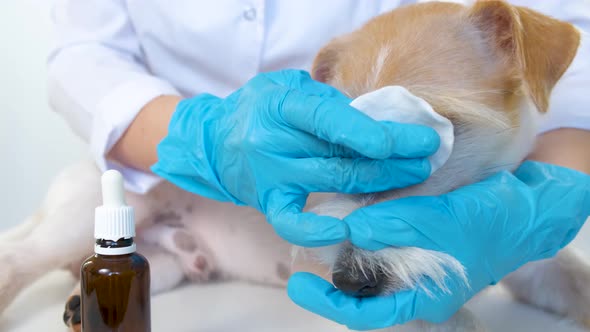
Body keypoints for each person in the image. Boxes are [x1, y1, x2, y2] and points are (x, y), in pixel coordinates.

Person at [49, 0, 590, 329]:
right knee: (58, 238)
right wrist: (201, 137)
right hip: (162, 179)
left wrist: (560, 187)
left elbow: (569, 34)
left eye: (428, 137)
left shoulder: (504, 56)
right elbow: (83, 52)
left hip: (215, 273)